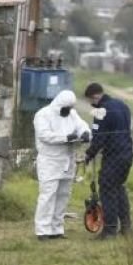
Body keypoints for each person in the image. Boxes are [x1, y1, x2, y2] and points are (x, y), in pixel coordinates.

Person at [33, 90, 91, 241]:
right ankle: (42, 230)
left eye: (70, 108)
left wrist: (85, 133)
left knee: (64, 195)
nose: (68, 111)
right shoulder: (43, 114)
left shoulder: (72, 114)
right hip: (50, 160)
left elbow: (81, 125)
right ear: (59, 104)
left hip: (67, 160)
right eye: (66, 108)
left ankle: (56, 229)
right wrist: (64, 137)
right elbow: (44, 135)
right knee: (48, 195)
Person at [83, 83, 133, 237]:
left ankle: (110, 229)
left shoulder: (101, 111)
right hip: (127, 153)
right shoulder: (122, 105)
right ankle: (126, 226)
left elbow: (99, 138)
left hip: (113, 156)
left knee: (107, 190)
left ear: (95, 96)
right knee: (118, 188)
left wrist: (88, 155)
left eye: (91, 101)